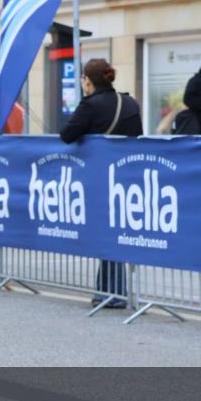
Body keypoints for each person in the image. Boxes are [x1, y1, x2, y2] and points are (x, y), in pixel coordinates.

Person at [59, 59, 141, 309]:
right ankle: (108, 291)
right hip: (128, 176)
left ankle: (113, 293)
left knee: (108, 233)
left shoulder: (91, 104)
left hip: (100, 177)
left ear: (87, 80)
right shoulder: (129, 102)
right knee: (117, 231)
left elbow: (67, 135)